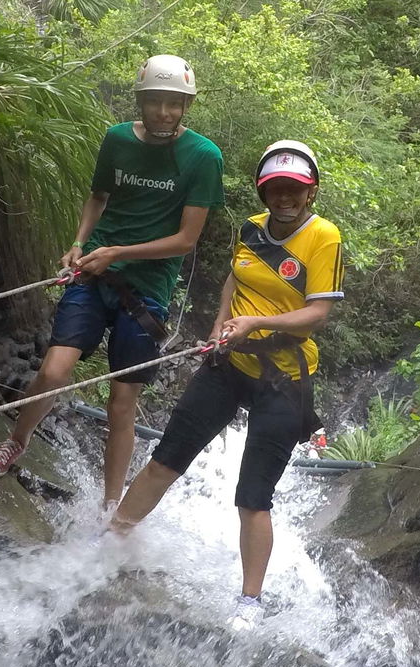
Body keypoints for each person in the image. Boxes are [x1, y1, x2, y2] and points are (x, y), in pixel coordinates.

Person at [0, 55, 225, 519]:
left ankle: (111, 506)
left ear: (186, 106)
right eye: (156, 102)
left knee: (121, 401)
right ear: (141, 100)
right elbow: (98, 197)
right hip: (93, 272)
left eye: (175, 104)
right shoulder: (116, 140)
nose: (165, 112)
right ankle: (16, 442)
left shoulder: (203, 157)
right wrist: (79, 243)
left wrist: (118, 253)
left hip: (147, 288)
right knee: (53, 370)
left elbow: (186, 239)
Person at [111, 140, 344, 630]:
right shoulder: (251, 230)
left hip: (285, 378)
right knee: (167, 457)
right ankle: (110, 539)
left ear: (311, 192)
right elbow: (233, 283)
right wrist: (220, 327)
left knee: (253, 495)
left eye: (294, 190)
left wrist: (256, 324)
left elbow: (317, 313)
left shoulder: (324, 237)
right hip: (229, 360)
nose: (284, 198)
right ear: (264, 191)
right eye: (275, 189)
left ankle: (249, 601)